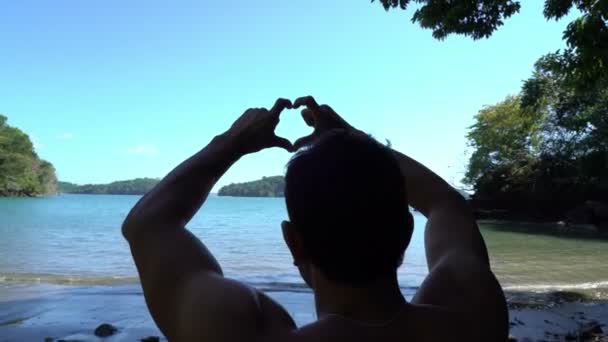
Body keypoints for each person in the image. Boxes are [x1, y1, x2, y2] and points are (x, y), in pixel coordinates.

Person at [122, 96, 509, 341]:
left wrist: (233, 142)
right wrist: (354, 140)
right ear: (407, 232)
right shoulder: (471, 315)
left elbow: (148, 225)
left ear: (294, 242)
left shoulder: (241, 328)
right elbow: (445, 203)